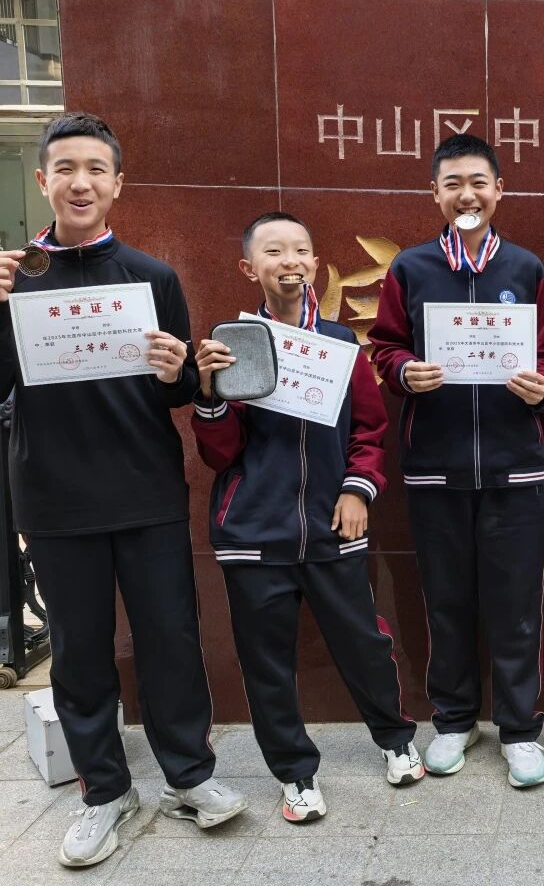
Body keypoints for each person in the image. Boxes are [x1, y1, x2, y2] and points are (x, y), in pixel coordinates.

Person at [0, 112, 246, 867]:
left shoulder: (152, 276)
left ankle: (188, 775)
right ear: (43, 181)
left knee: (170, 638)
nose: (81, 182)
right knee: (78, 652)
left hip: (145, 490)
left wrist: (178, 370)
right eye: (65, 169)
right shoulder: (13, 279)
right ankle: (104, 790)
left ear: (117, 184)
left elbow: (176, 392)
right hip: (54, 495)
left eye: (95, 170)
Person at [191, 211, 424, 823]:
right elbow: (219, 453)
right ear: (250, 268)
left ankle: (396, 740)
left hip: (332, 527)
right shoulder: (235, 344)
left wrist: (357, 491)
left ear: (316, 264)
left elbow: (369, 429)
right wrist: (210, 394)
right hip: (252, 534)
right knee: (266, 664)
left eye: (300, 250)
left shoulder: (341, 345)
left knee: (364, 644)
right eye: (273, 251)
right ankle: (295, 774)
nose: (289, 261)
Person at [368, 134, 544, 788]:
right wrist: (403, 372)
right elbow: (385, 345)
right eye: (453, 183)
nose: (467, 194)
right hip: (436, 467)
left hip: (516, 467)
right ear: (435, 193)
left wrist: (542, 385)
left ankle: (519, 730)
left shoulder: (526, 268)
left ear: (499, 190)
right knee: (445, 602)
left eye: (479, 182)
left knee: (516, 607)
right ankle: (454, 720)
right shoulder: (411, 268)